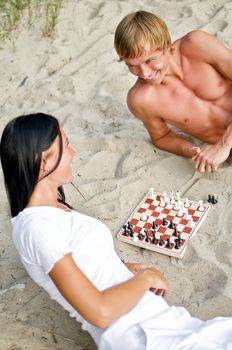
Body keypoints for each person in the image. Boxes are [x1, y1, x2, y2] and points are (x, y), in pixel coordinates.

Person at [1, 113, 232, 350]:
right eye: (66, 145)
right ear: (43, 163)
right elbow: (99, 312)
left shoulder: (52, 211)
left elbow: (85, 264)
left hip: (164, 323)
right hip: (140, 337)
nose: (73, 153)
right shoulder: (36, 228)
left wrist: (122, 268)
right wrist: (146, 278)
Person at [114, 11, 232, 173]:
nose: (145, 73)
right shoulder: (141, 99)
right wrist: (192, 151)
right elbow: (161, 137)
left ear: (166, 43)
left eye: (150, 60)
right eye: (132, 66)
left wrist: (224, 145)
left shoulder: (197, 45)